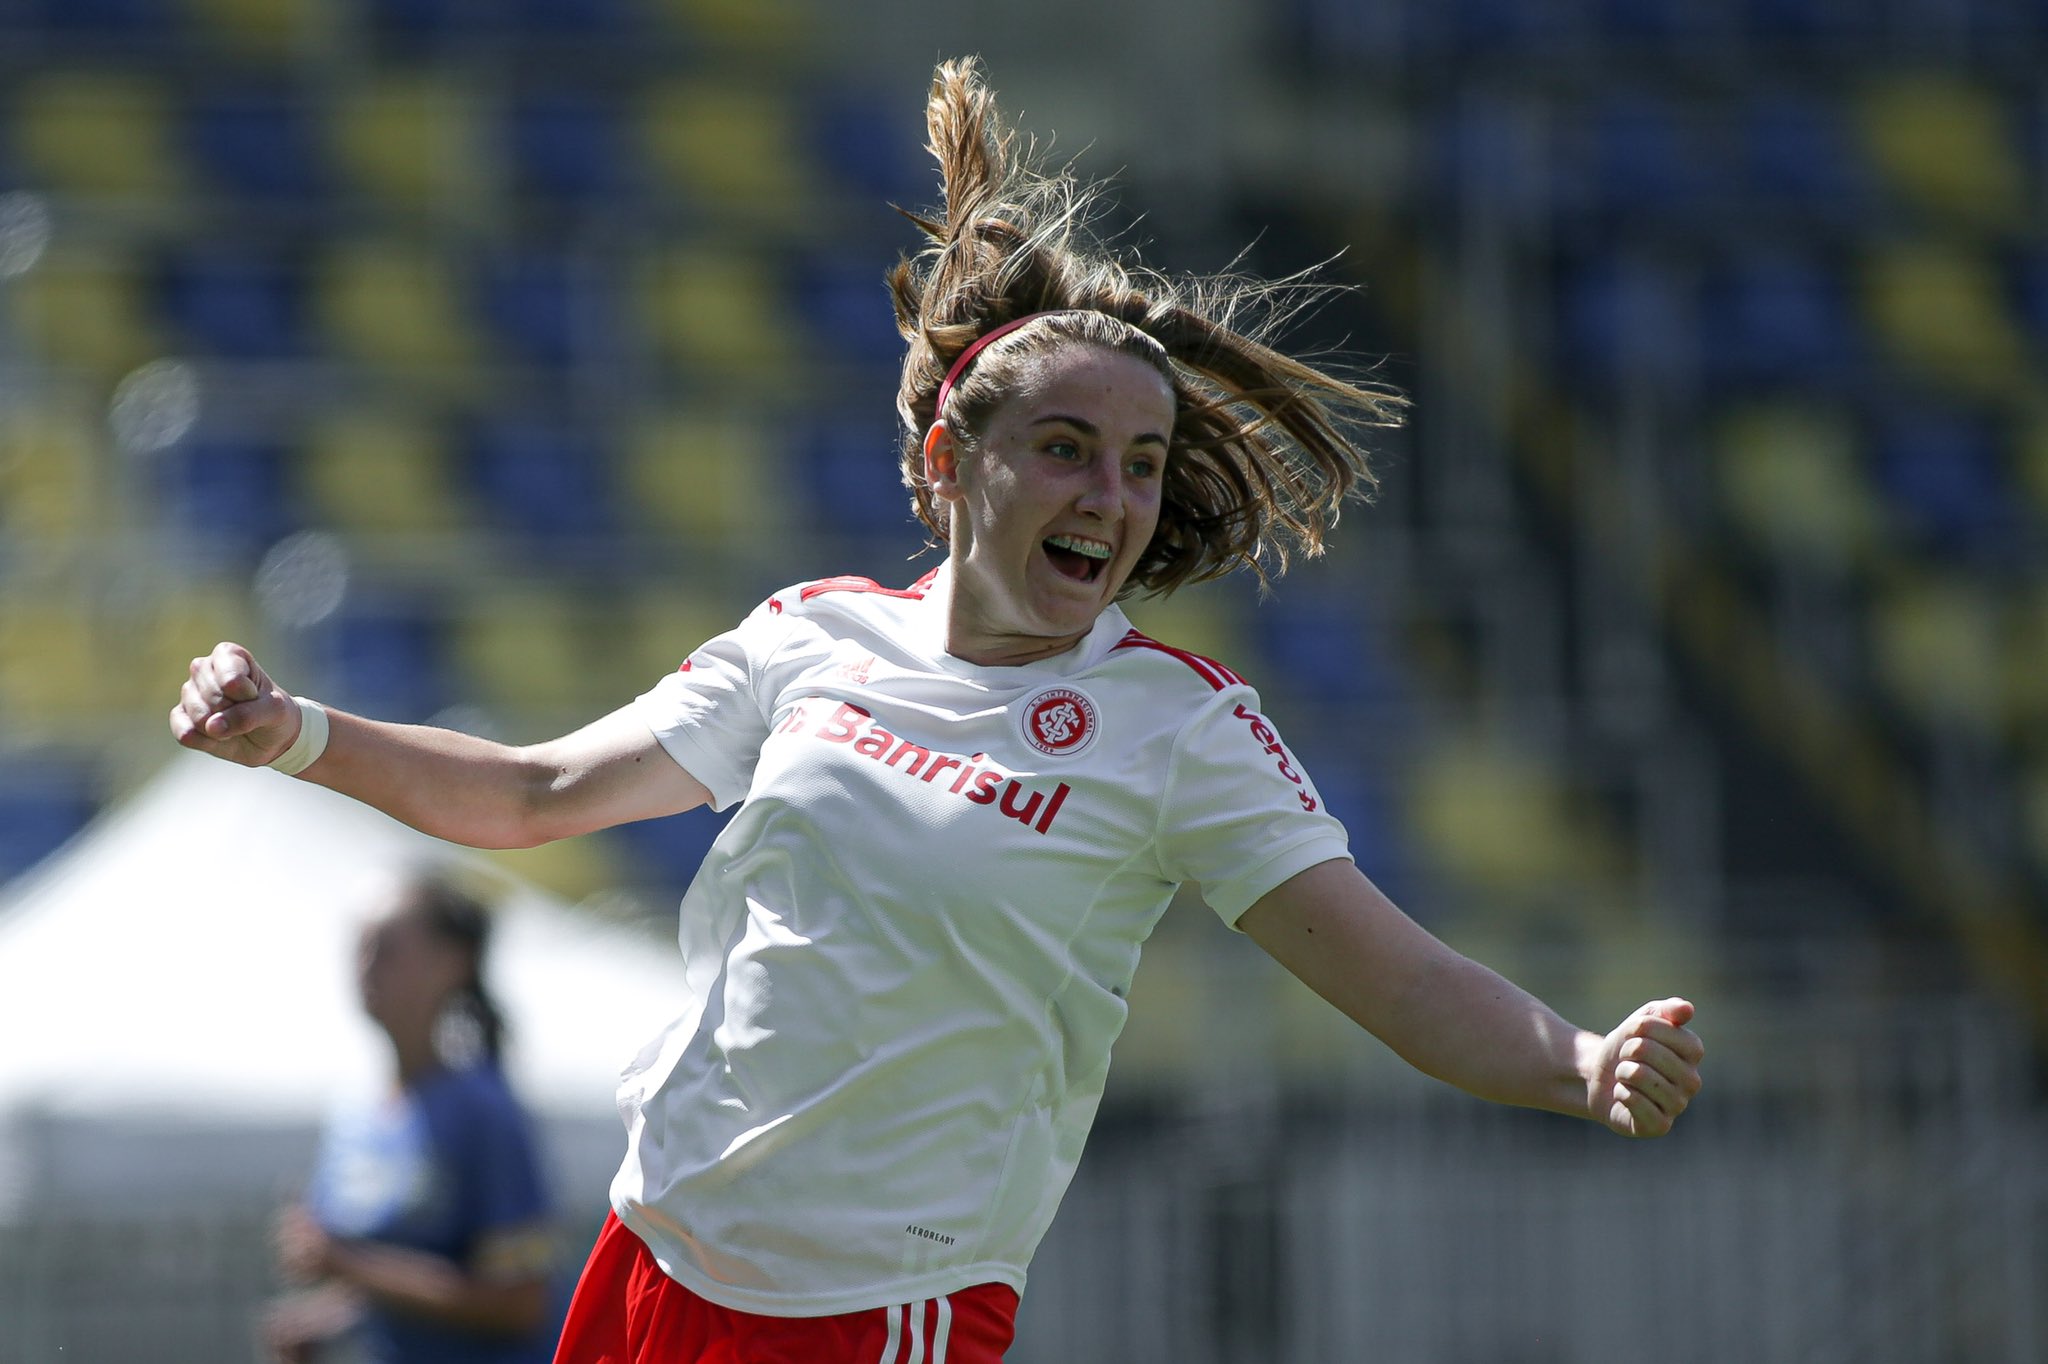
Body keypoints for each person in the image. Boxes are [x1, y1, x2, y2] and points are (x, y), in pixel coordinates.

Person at [176, 57, 1704, 1364]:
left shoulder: (1181, 730)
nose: (1110, 493)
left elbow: (1400, 977)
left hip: (879, 1309)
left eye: (1142, 461)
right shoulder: (810, 640)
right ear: (945, 468)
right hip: (651, 1257)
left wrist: (1574, 1063)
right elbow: (526, 794)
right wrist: (295, 733)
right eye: (1064, 447)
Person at [261, 874, 561, 1364]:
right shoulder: (355, 1114)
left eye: (385, 950)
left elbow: (522, 1302)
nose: (364, 969)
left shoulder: (485, 1113)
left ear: (453, 963)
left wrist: (349, 1265)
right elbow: (389, 1278)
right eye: (358, 951)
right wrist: (326, 1319)